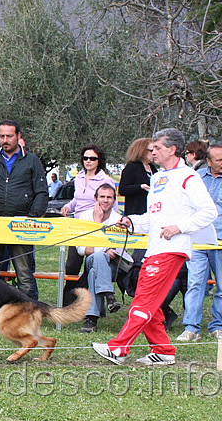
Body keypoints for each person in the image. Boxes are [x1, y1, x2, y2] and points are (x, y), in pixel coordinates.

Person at [92, 128, 217, 366]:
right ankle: (162, 350)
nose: (152, 152)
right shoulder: (158, 178)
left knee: (143, 301)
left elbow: (209, 212)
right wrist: (132, 221)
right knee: (147, 299)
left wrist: (179, 227)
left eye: (157, 148)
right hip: (154, 247)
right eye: (151, 148)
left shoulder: (189, 177)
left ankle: (118, 348)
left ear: (172, 149)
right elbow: (153, 217)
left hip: (172, 249)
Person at [0, 120, 48, 300]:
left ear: (18, 136)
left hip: (22, 225)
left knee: (25, 274)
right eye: (2, 136)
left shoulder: (31, 161)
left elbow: (42, 192)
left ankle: (30, 312)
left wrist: (32, 217)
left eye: (9, 136)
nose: (5, 140)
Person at [176, 144, 222, 342]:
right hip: (197, 240)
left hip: (220, 241)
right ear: (209, 161)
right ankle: (191, 328)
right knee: (195, 283)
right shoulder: (195, 178)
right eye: (219, 160)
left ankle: (217, 326)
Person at [60, 145, 116, 280]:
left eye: (92, 158)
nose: (88, 161)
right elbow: (77, 199)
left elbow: (113, 205)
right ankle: (69, 296)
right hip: (77, 226)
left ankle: (94, 294)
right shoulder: (78, 177)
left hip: (95, 226)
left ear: (99, 161)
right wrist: (68, 206)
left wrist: (111, 227)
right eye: (85, 158)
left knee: (93, 262)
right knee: (72, 265)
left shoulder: (106, 180)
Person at [77, 184, 128, 333]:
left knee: (95, 271)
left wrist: (97, 248)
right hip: (90, 261)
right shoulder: (85, 216)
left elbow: (116, 251)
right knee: (99, 256)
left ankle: (91, 320)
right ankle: (109, 296)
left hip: (113, 266)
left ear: (114, 200)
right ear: (96, 199)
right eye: (102, 197)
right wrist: (98, 224)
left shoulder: (119, 220)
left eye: (109, 197)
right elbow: (81, 250)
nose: (105, 200)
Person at [118, 137, 156, 217]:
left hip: (151, 213)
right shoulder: (132, 167)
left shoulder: (153, 168)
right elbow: (122, 189)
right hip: (136, 214)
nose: (154, 153)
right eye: (151, 150)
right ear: (142, 151)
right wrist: (140, 187)